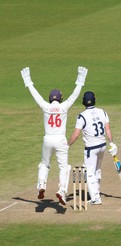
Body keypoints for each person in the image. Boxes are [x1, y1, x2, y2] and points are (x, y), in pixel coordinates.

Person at [20, 66, 88, 205]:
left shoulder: (45, 106)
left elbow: (36, 96)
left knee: (44, 164)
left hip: (47, 139)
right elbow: (74, 96)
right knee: (64, 167)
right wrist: (80, 80)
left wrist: (29, 81)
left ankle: (41, 185)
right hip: (61, 140)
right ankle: (62, 190)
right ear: (60, 98)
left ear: (50, 99)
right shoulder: (64, 107)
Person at [68, 91, 118, 205]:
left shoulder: (82, 116)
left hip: (91, 148)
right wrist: (112, 143)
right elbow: (108, 129)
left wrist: (67, 145)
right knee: (97, 170)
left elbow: (76, 135)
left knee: (89, 173)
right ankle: (96, 193)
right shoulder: (102, 112)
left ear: (83, 102)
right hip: (102, 146)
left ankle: (95, 198)